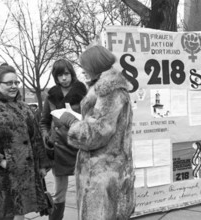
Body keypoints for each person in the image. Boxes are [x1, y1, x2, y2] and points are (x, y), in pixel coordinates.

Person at [58, 45, 135, 220]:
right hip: (106, 170)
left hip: (103, 174)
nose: (82, 70)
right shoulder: (105, 88)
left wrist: (72, 123)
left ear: (95, 65)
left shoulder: (108, 90)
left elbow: (98, 132)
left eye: (84, 66)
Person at [0, 63, 50, 220]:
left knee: (19, 213)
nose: (14, 86)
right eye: (8, 83)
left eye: (16, 82)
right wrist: (1, 161)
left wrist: (42, 164)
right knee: (6, 212)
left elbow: (35, 137)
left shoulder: (25, 108)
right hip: (2, 175)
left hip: (25, 172)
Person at [40, 59, 87, 220]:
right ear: (55, 77)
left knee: (84, 190)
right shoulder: (51, 96)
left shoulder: (84, 93)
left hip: (79, 147)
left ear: (72, 73)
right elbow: (44, 122)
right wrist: (47, 137)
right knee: (59, 193)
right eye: (60, 75)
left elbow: (91, 119)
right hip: (58, 148)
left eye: (66, 73)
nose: (64, 78)